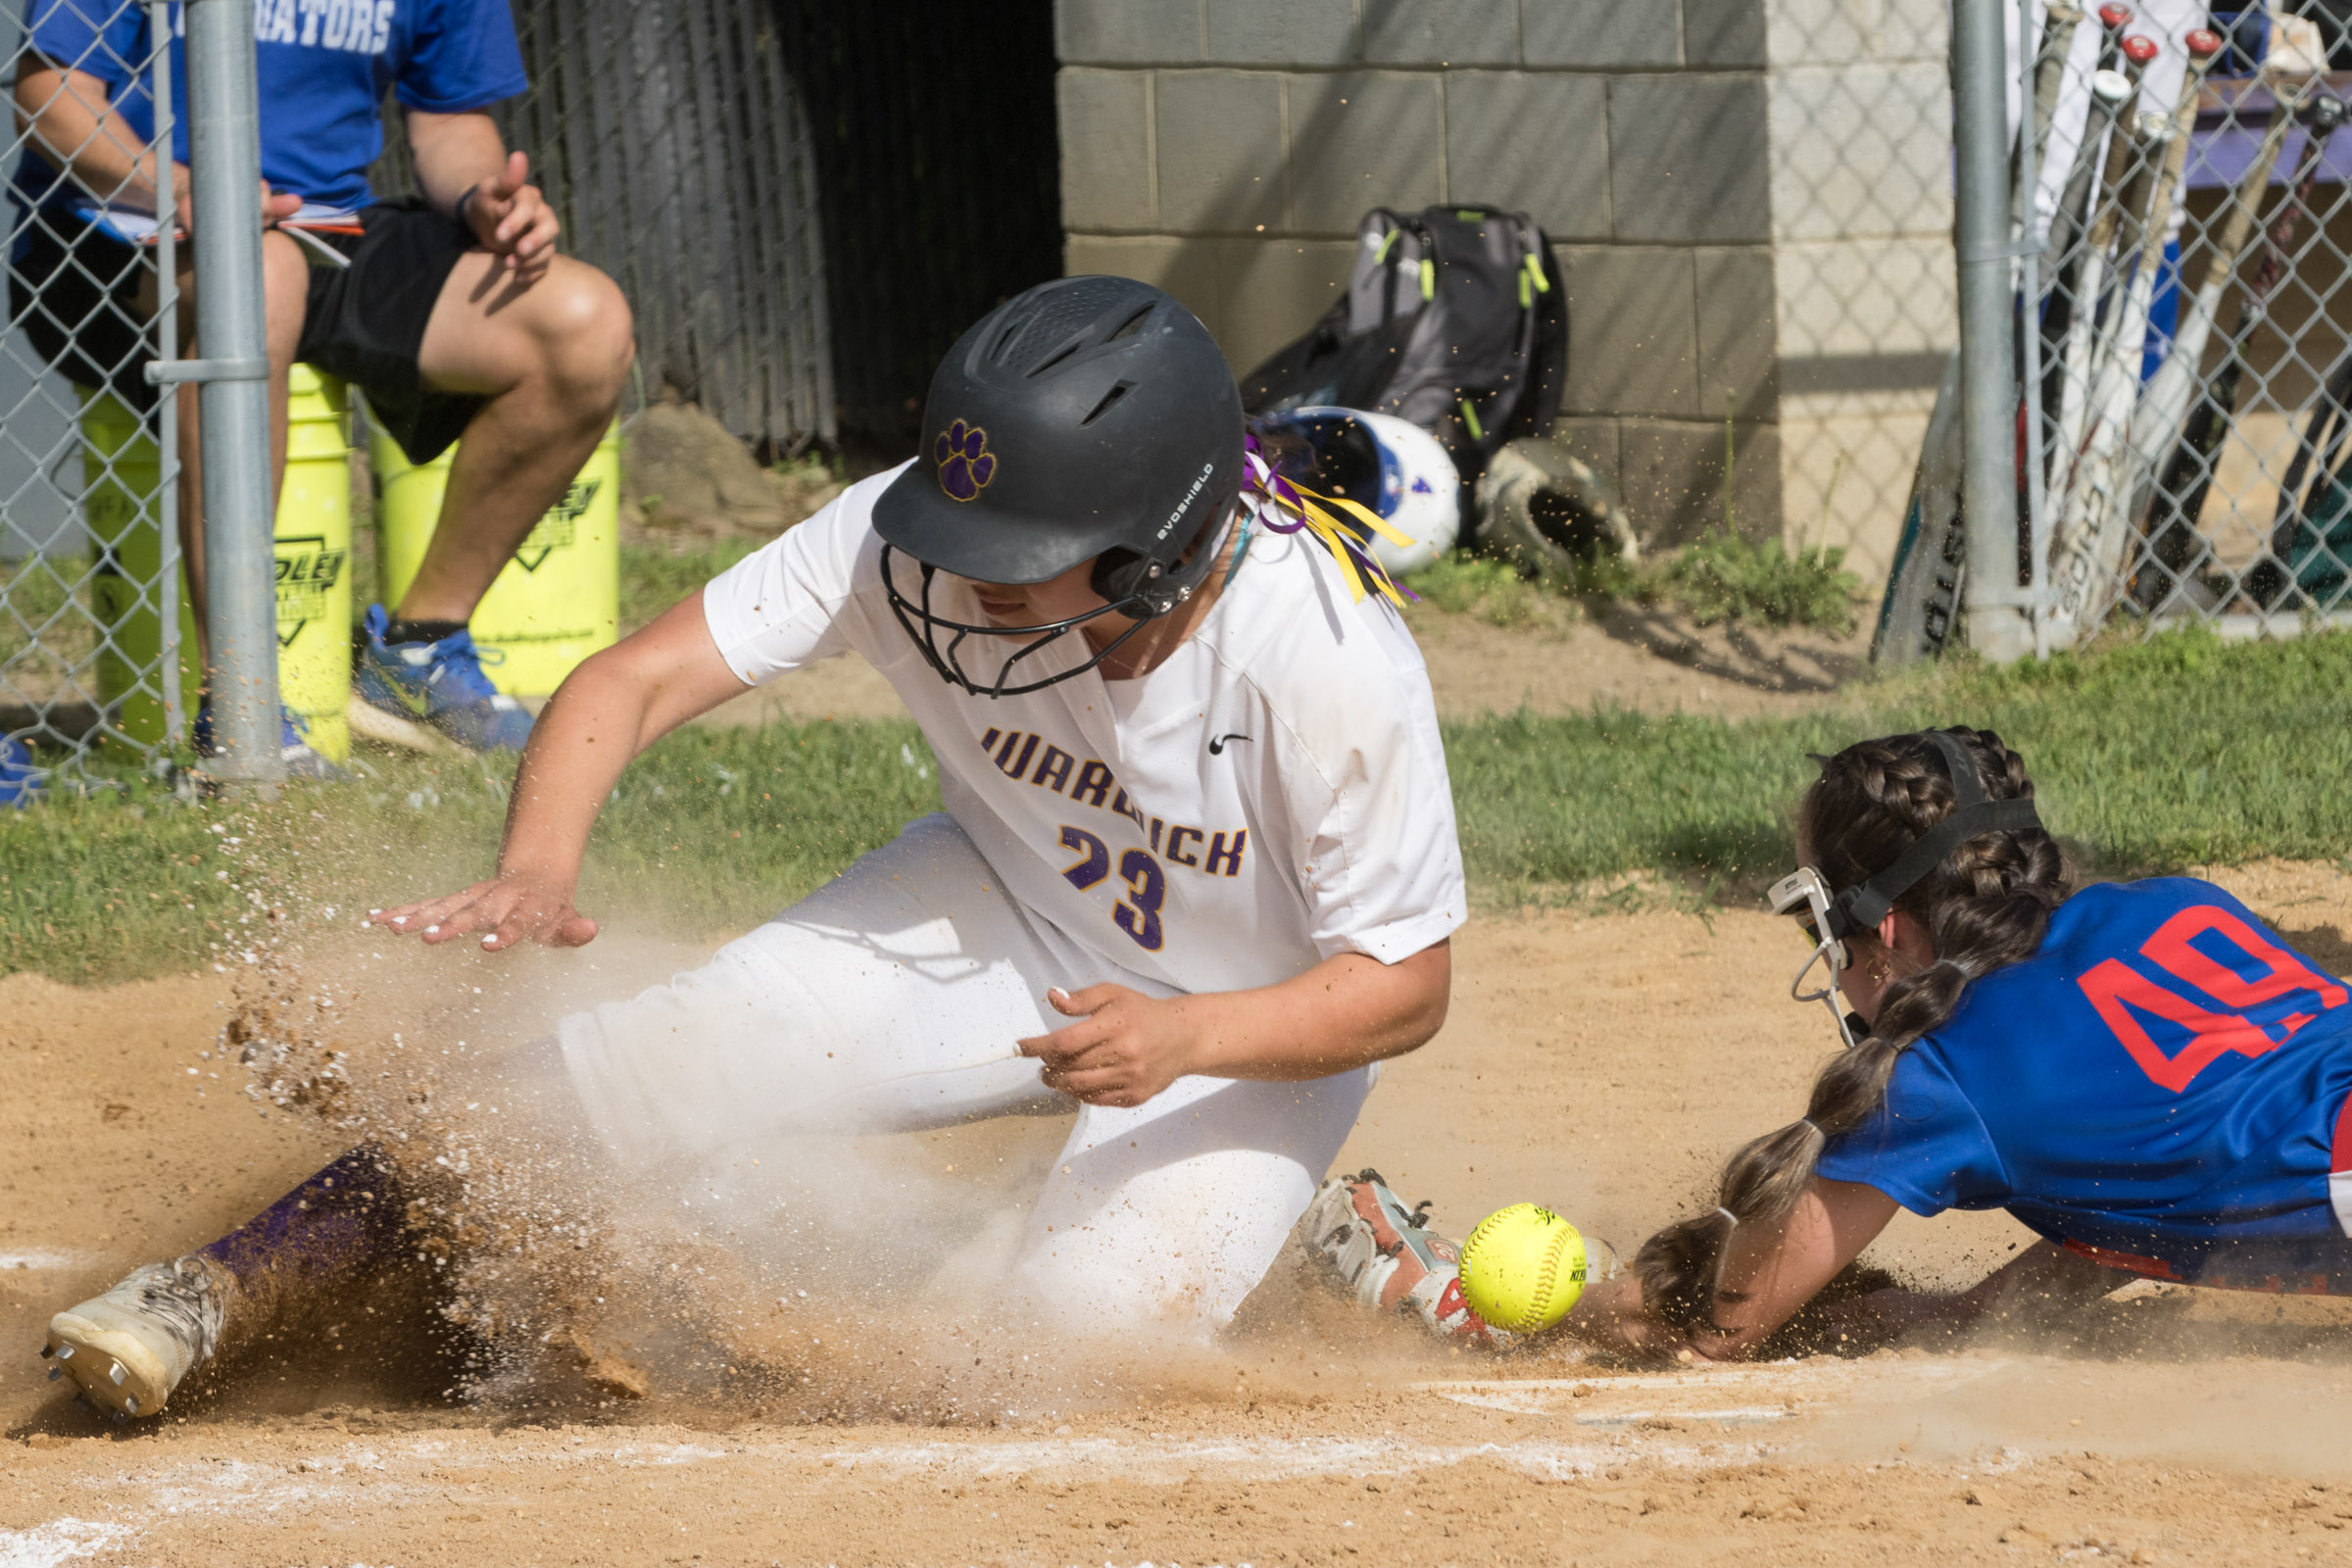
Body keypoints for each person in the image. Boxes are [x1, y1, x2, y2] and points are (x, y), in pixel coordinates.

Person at [36, 277, 1467, 1420]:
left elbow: (1403, 986)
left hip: (1244, 1025)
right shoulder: (913, 539)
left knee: (1059, 1360)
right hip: (1003, 909)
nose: (960, 567)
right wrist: (538, 868)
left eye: (1015, 549)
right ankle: (206, 1295)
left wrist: (1188, 1038)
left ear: (1153, 549)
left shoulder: (1328, 663)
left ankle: (1319, 1237)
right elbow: (630, 681)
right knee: (625, 1080)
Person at [1309, 726, 2352, 1358]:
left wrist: (1496, 1306)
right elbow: (2165, 1145)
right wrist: (1986, 1310)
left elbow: (1725, 1322)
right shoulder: (2175, 905)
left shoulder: (1946, 1069)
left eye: (1831, 922)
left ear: (1888, 928)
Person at [10, 0, 636, 760]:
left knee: (582, 323)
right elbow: (52, 102)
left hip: (325, 228)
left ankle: (418, 651)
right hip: (117, 229)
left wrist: (483, 199)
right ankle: (241, 709)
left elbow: (447, 119)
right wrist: (180, 186)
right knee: (260, 277)